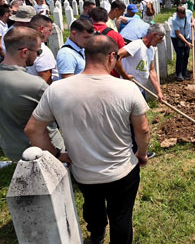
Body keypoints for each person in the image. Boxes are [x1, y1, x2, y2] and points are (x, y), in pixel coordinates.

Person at [25, 35, 150, 244]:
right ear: (112, 56)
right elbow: (143, 130)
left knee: (92, 204)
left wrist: (57, 154)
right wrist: (142, 154)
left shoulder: (57, 89)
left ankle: (96, 232)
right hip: (122, 170)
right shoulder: (127, 88)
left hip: (83, 170)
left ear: (86, 55)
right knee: (121, 216)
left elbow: (32, 130)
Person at [0, 27, 64, 162]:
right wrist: (59, 154)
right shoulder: (34, 85)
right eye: (38, 51)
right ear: (25, 52)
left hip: (11, 148)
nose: (38, 55)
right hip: (44, 151)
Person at [116, 23, 165, 101]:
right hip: (128, 91)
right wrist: (125, 76)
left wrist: (159, 92)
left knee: (142, 113)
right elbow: (116, 57)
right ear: (154, 34)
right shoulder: (137, 45)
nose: (161, 41)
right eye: (160, 38)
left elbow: (152, 70)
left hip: (140, 90)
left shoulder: (151, 50)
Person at [27, 15, 58, 84]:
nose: (50, 34)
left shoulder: (22, 45)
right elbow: (45, 82)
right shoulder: (43, 51)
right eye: (49, 30)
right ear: (41, 29)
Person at [170, 6, 194, 81]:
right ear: (177, 13)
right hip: (176, 38)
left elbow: (192, 16)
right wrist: (187, 43)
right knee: (181, 54)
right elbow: (178, 33)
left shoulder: (189, 12)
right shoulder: (175, 19)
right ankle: (179, 74)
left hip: (186, 36)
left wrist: (193, 22)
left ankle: (184, 72)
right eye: (179, 15)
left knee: (186, 54)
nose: (180, 17)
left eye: (182, 16)